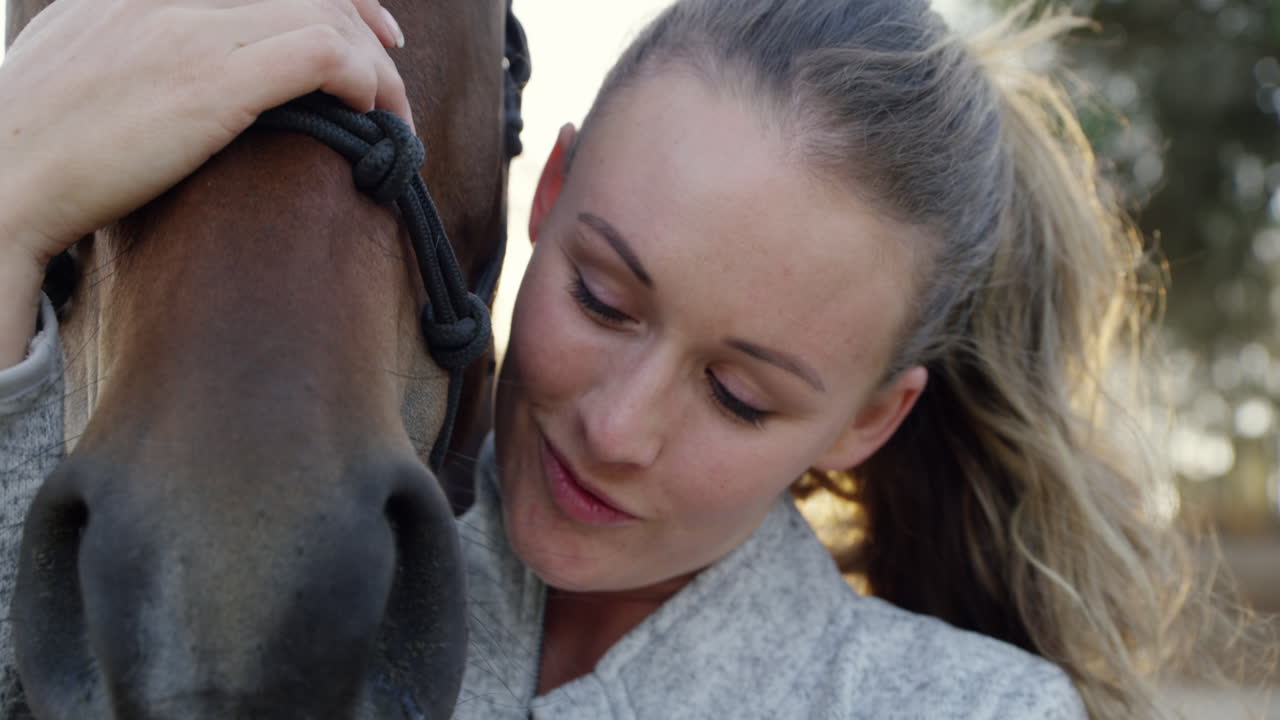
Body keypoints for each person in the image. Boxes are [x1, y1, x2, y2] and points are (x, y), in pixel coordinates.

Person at [0, 0, 1252, 718]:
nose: (614, 427)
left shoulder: (969, 714)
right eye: (602, 299)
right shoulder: (284, 574)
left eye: (737, 394)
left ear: (868, 422)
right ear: (544, 188)